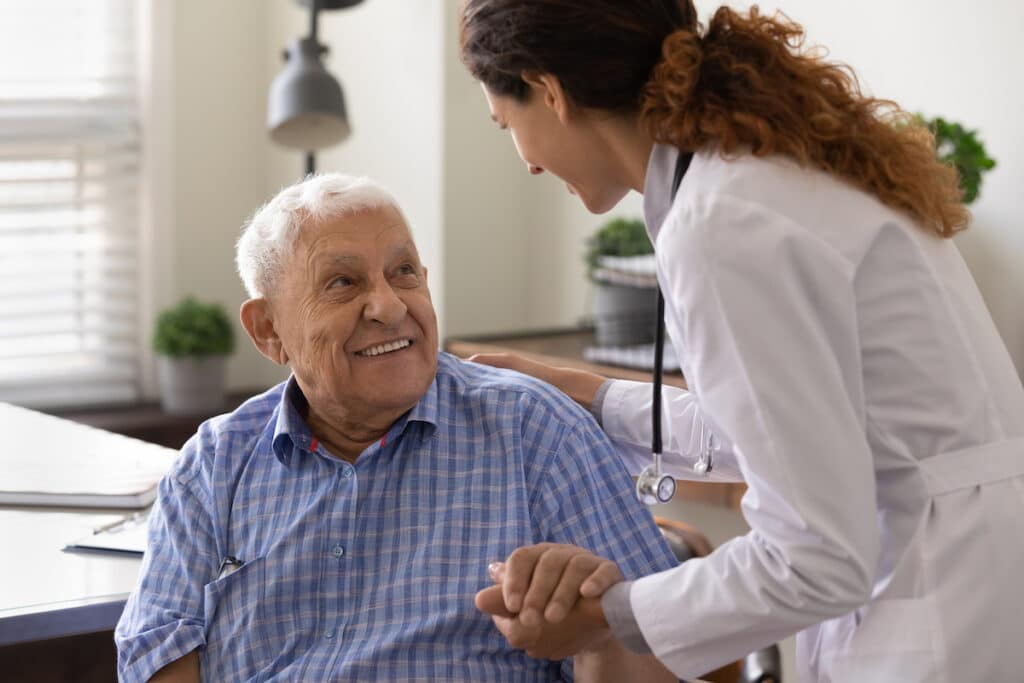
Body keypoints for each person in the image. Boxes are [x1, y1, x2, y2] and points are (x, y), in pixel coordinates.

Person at [459, 1, 1024, 681]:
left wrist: (610, 614)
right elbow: (792, 427)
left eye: (505, 125)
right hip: (971, 572)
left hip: (942, 616)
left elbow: (813, 557)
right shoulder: (763, 171)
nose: (524, 162)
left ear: (548, 93)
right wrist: (596, 396)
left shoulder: (721, 223)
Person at [114, 174, 679, 682]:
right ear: (268, 331)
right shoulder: (214, 463)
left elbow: (665, 660)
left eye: (402, 272)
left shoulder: (535, 433)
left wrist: (600, 628)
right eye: (343, 283)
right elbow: (156, 653)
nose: (387, 306)